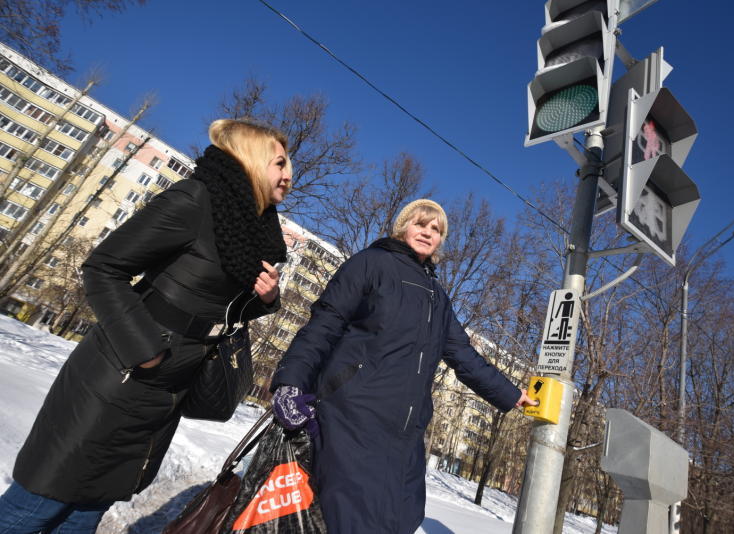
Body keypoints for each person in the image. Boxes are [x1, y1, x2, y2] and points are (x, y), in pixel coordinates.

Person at [0, 119, 292, 533]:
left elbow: (211, 306)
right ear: (251, 159)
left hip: (168, 390)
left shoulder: (252, 229)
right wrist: (147, 352)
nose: (288, 176)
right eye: (280, 164)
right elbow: (103, 268)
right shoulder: (196, 201)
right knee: (40, 503)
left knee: (88, 510)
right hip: (118, 379)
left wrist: (264, 299)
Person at [269, 199, 534, 534]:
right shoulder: (370, 263)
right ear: (402, 227)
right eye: (420, 223)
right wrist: (291, 381)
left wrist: (512, 394)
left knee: (401, 519)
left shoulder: (437, 297)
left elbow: (463, 356)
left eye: (436, 229)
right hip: (352, 414)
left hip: (406, 433)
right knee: (350, 520)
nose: (427, 232)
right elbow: (325, 323)